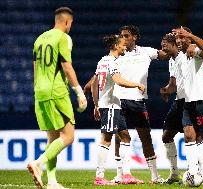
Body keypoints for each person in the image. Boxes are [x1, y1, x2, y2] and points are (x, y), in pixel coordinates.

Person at [27, 7, 87, 189]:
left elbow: (35, 68)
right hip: (56, 92)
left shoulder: (39, 39)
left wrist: (38, 90)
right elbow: (66, 67)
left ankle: (52, 182)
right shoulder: (64, 38)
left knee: (53, 138)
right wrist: (79, 92)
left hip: (40, 91)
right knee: (68, 136)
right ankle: (38, 163)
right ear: (67, 22)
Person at [111, 25, 169, 184]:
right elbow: (104, 70)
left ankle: (155, 176)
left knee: (146, 138)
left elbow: (166, 54)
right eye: (121, 35)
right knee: (120, 138)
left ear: (135, 37)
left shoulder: (147, 52)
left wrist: (178, 47)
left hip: (138, 101)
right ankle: (120, 175)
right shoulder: (116, 54)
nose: (123, 38)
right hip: (118, 100)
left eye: (127, 35)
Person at [91, 34, 145, 185]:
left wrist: (96, 104)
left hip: (113, 105)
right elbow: (118, 80)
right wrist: (137, 84)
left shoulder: (102, 61)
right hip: (109, 106)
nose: (125, 46)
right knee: (106, 139)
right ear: (115, 46)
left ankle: (126, 175)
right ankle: (99, 177)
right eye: (122, 44)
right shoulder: (112, 62)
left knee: (125, 136)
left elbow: (94, 84)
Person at [172, 27, 203, 184]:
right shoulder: (181, 56)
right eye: (177, 38)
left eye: (182, 37)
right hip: (188, 103)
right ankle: (192, 173)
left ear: (189, 39)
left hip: (202, 100)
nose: (178, 40)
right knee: (189, 136)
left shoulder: (197, 52)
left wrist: (191, 36)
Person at [160, 27, 203, 184]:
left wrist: (191, 44)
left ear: (173, 44)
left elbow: (200, 52)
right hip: (178, 101)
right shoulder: (172, 60)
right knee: (166, 136)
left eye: (164, 44)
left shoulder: (185, 55)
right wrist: (167, 90)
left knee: (194, 137)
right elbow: (174, 84)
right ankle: (174, 173)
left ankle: (200, 173)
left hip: (190, 101)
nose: (162, 48)